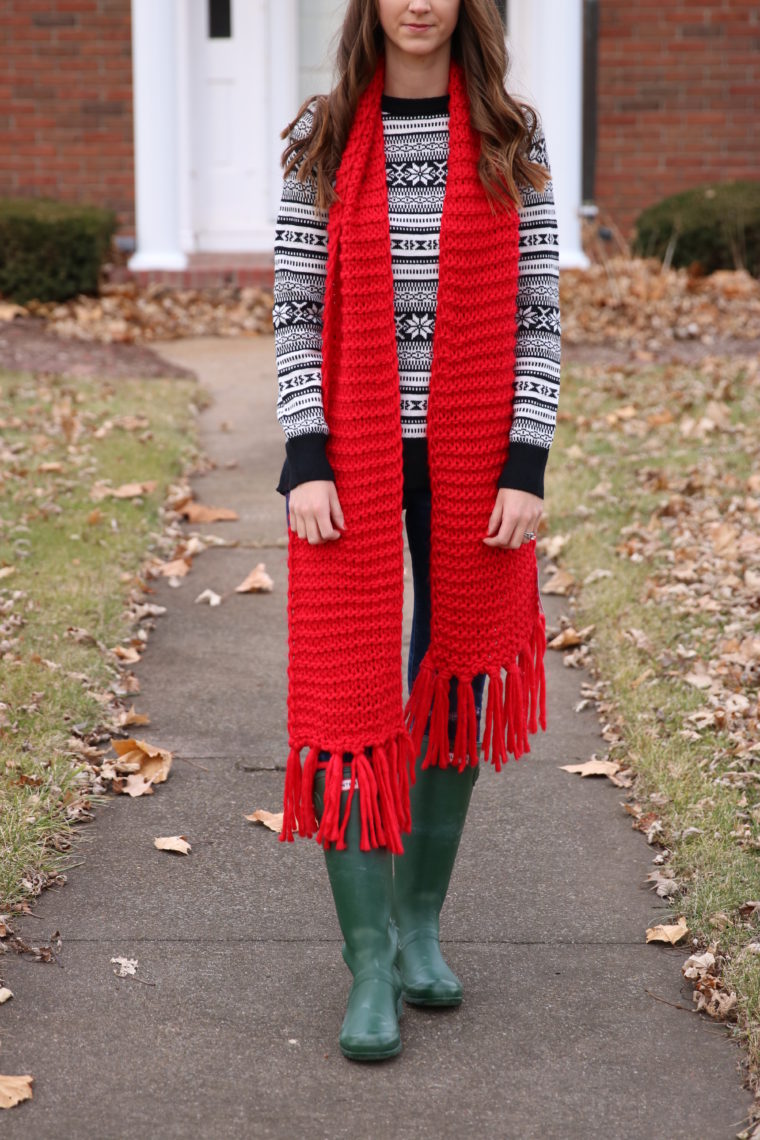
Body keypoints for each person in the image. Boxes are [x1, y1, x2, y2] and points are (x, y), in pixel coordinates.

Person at [272, 0, 560, 1062]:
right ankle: (364, 969)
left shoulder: (509, 135)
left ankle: (416, 927)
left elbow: (538, 308)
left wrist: (526, 459)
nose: (419, 1)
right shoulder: (321, 137)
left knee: (462, 676)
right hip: (348, 450)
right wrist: (303, 451)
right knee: (348, 692)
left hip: (476, 446)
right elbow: (295, 306)